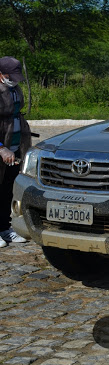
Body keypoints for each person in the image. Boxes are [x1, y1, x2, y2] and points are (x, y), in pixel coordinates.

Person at [0, 57, 30, 248]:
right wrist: (1, 147)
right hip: (2, 147)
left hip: (15, 146)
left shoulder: (15, 89)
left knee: (6, 191)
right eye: (11, 76)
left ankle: (4, 227)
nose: (15, 80)